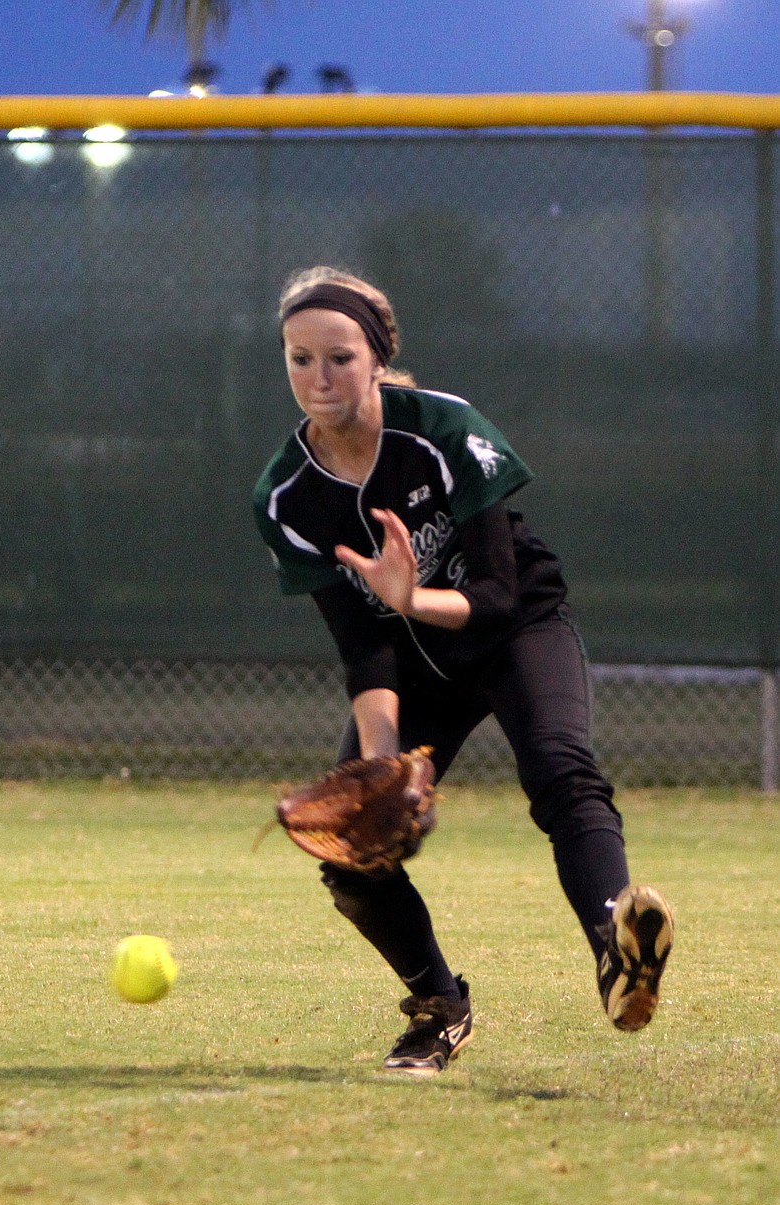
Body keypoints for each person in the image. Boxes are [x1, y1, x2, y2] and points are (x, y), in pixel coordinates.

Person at [252, 265, 674, 1076]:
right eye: (299, 359)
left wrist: (412, 599)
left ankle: (617, 947)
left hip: (517, 630)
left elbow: (500, 593)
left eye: (339, 357)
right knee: (354, 855)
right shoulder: (287, 495)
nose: (319, 377)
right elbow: (359, 641)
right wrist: (386, 765)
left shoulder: (444, 432)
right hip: (409, 665)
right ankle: (438, 1007)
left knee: (561, 771)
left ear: (376, 358)